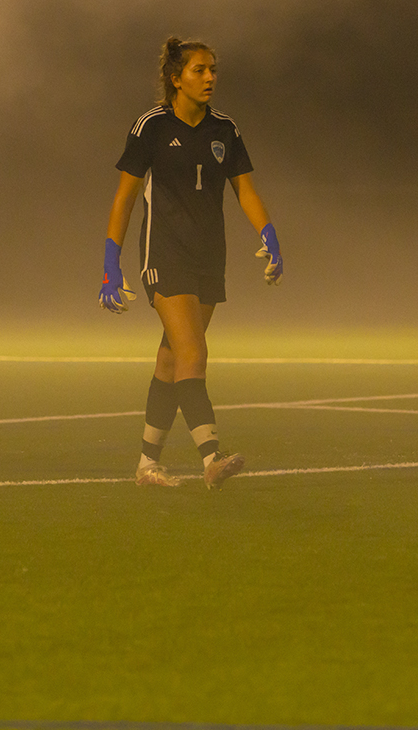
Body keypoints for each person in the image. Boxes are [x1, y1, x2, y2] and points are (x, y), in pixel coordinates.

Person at [99, 36, 283, 489]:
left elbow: (245, 189)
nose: (209, 78)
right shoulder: (151, 127)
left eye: (213, 69)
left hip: (208, 257)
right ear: (175, 78)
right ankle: (211, 457)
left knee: (170, 361)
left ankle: (146, 465)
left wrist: (269, 234)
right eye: (199, 70)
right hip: (164, 254)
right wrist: (110, 262)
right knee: (193, 354)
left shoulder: (225, 129)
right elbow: (124, 200)